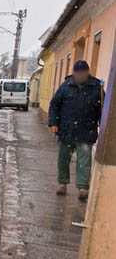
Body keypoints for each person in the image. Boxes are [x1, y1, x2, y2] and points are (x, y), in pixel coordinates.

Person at [48, 60, 102, 201]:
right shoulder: (66, 85)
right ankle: (62, 184)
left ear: (87, 72)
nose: (80, 75)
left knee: (84, 160)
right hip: (67, 129)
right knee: (63, 158)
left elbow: (102, 109)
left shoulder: (96, 87)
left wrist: (103, 127)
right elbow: (54, 104)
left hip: (86, 130)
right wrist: (53, 122)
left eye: (83, 73)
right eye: (77, 73)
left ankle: (83, 187)